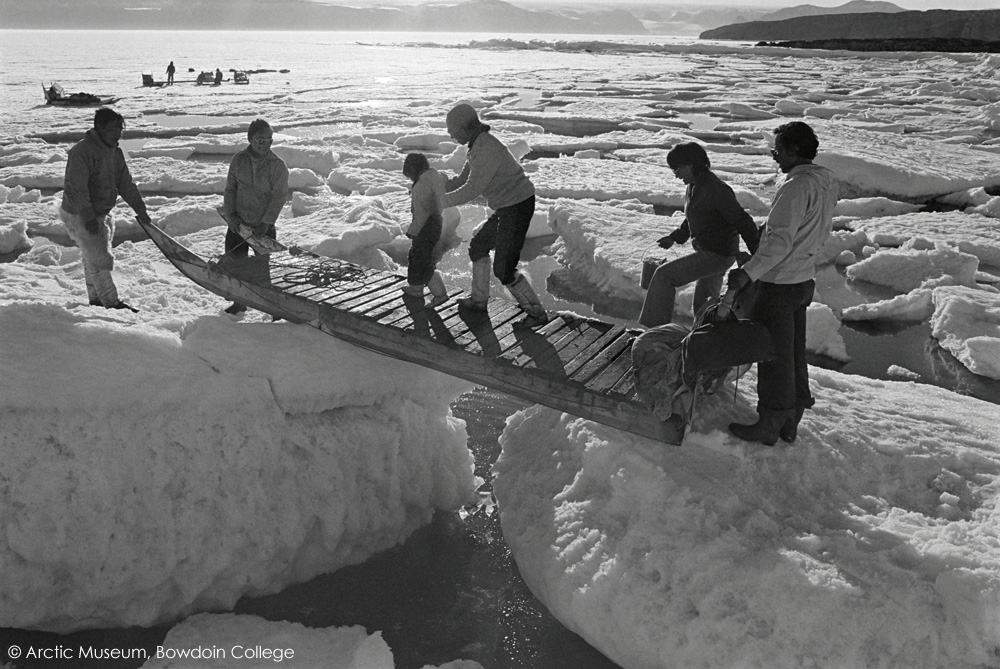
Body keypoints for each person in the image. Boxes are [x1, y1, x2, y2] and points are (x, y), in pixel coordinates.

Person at [726, 121, 838, 446]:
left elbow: (779, 243)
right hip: (803, 280)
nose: (775, 157)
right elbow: (808, 229)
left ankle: (770, 422)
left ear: (794, 150)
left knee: (774, 354)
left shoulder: (794, 187)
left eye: (777, 150)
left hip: (780, 283)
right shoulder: (824, 182)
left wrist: (748, 273)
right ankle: (792, 417)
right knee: (793, 352)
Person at [442, 103, 548, 328]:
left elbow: (472, 189)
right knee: (479, 247)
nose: (450, 134)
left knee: (504, 268)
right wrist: (438, 187)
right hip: (507, 206)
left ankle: (537, 314)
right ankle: (479, 300)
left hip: (518, 205)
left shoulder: (486, 147)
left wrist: (442, 202)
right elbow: (462, 181)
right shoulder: (476, 145)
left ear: (465, 126)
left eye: (452, 129)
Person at [638, 142, 759, 328]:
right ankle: (704, 343)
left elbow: (741, 220)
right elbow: (693, 216)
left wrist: (757, 253)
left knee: (664, 275)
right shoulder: (694, 186)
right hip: (710, 252)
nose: (676, 175)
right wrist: (675, 237)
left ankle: (653, 333)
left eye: (677, 169)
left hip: (717, 255)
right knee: (703, 306)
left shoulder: (716, 189)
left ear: (691, 164)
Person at [59, 107, 150, 313]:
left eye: (121, 129)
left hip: (99, 212)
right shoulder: (82, 152)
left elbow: (126, 183)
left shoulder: (114, 152)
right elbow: (77, 187)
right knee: (99, 259)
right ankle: (112, 304)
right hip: (80, 213)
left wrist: (140, 209)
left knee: (91, 256)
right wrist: (88, 217)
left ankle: (95, 299)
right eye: (114, 129)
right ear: (99, 128)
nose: (118, 133)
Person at [220, 118, 289, 314]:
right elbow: (230, 189)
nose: (265, 144)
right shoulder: (238, 160)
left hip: (263, 228)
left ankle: (274, 309)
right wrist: (231, 217)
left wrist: (266, 223)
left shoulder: (277, 165)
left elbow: (279, 197)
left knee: (264, 272)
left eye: (269, 140)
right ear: (250, 139)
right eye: (260, 140)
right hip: (239, 224)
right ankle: (239, 302)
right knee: (236, 265)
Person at [402, 153, 449, 307]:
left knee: (422, 260)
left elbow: (422, 213)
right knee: (416, 255)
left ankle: (440, 294)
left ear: (413, 169)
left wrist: (412, 231)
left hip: (426, 226)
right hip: (436, 223)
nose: (410, 179)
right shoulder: (434, 177)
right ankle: (416, 288)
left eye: (409, 175)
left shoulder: (421, 185)